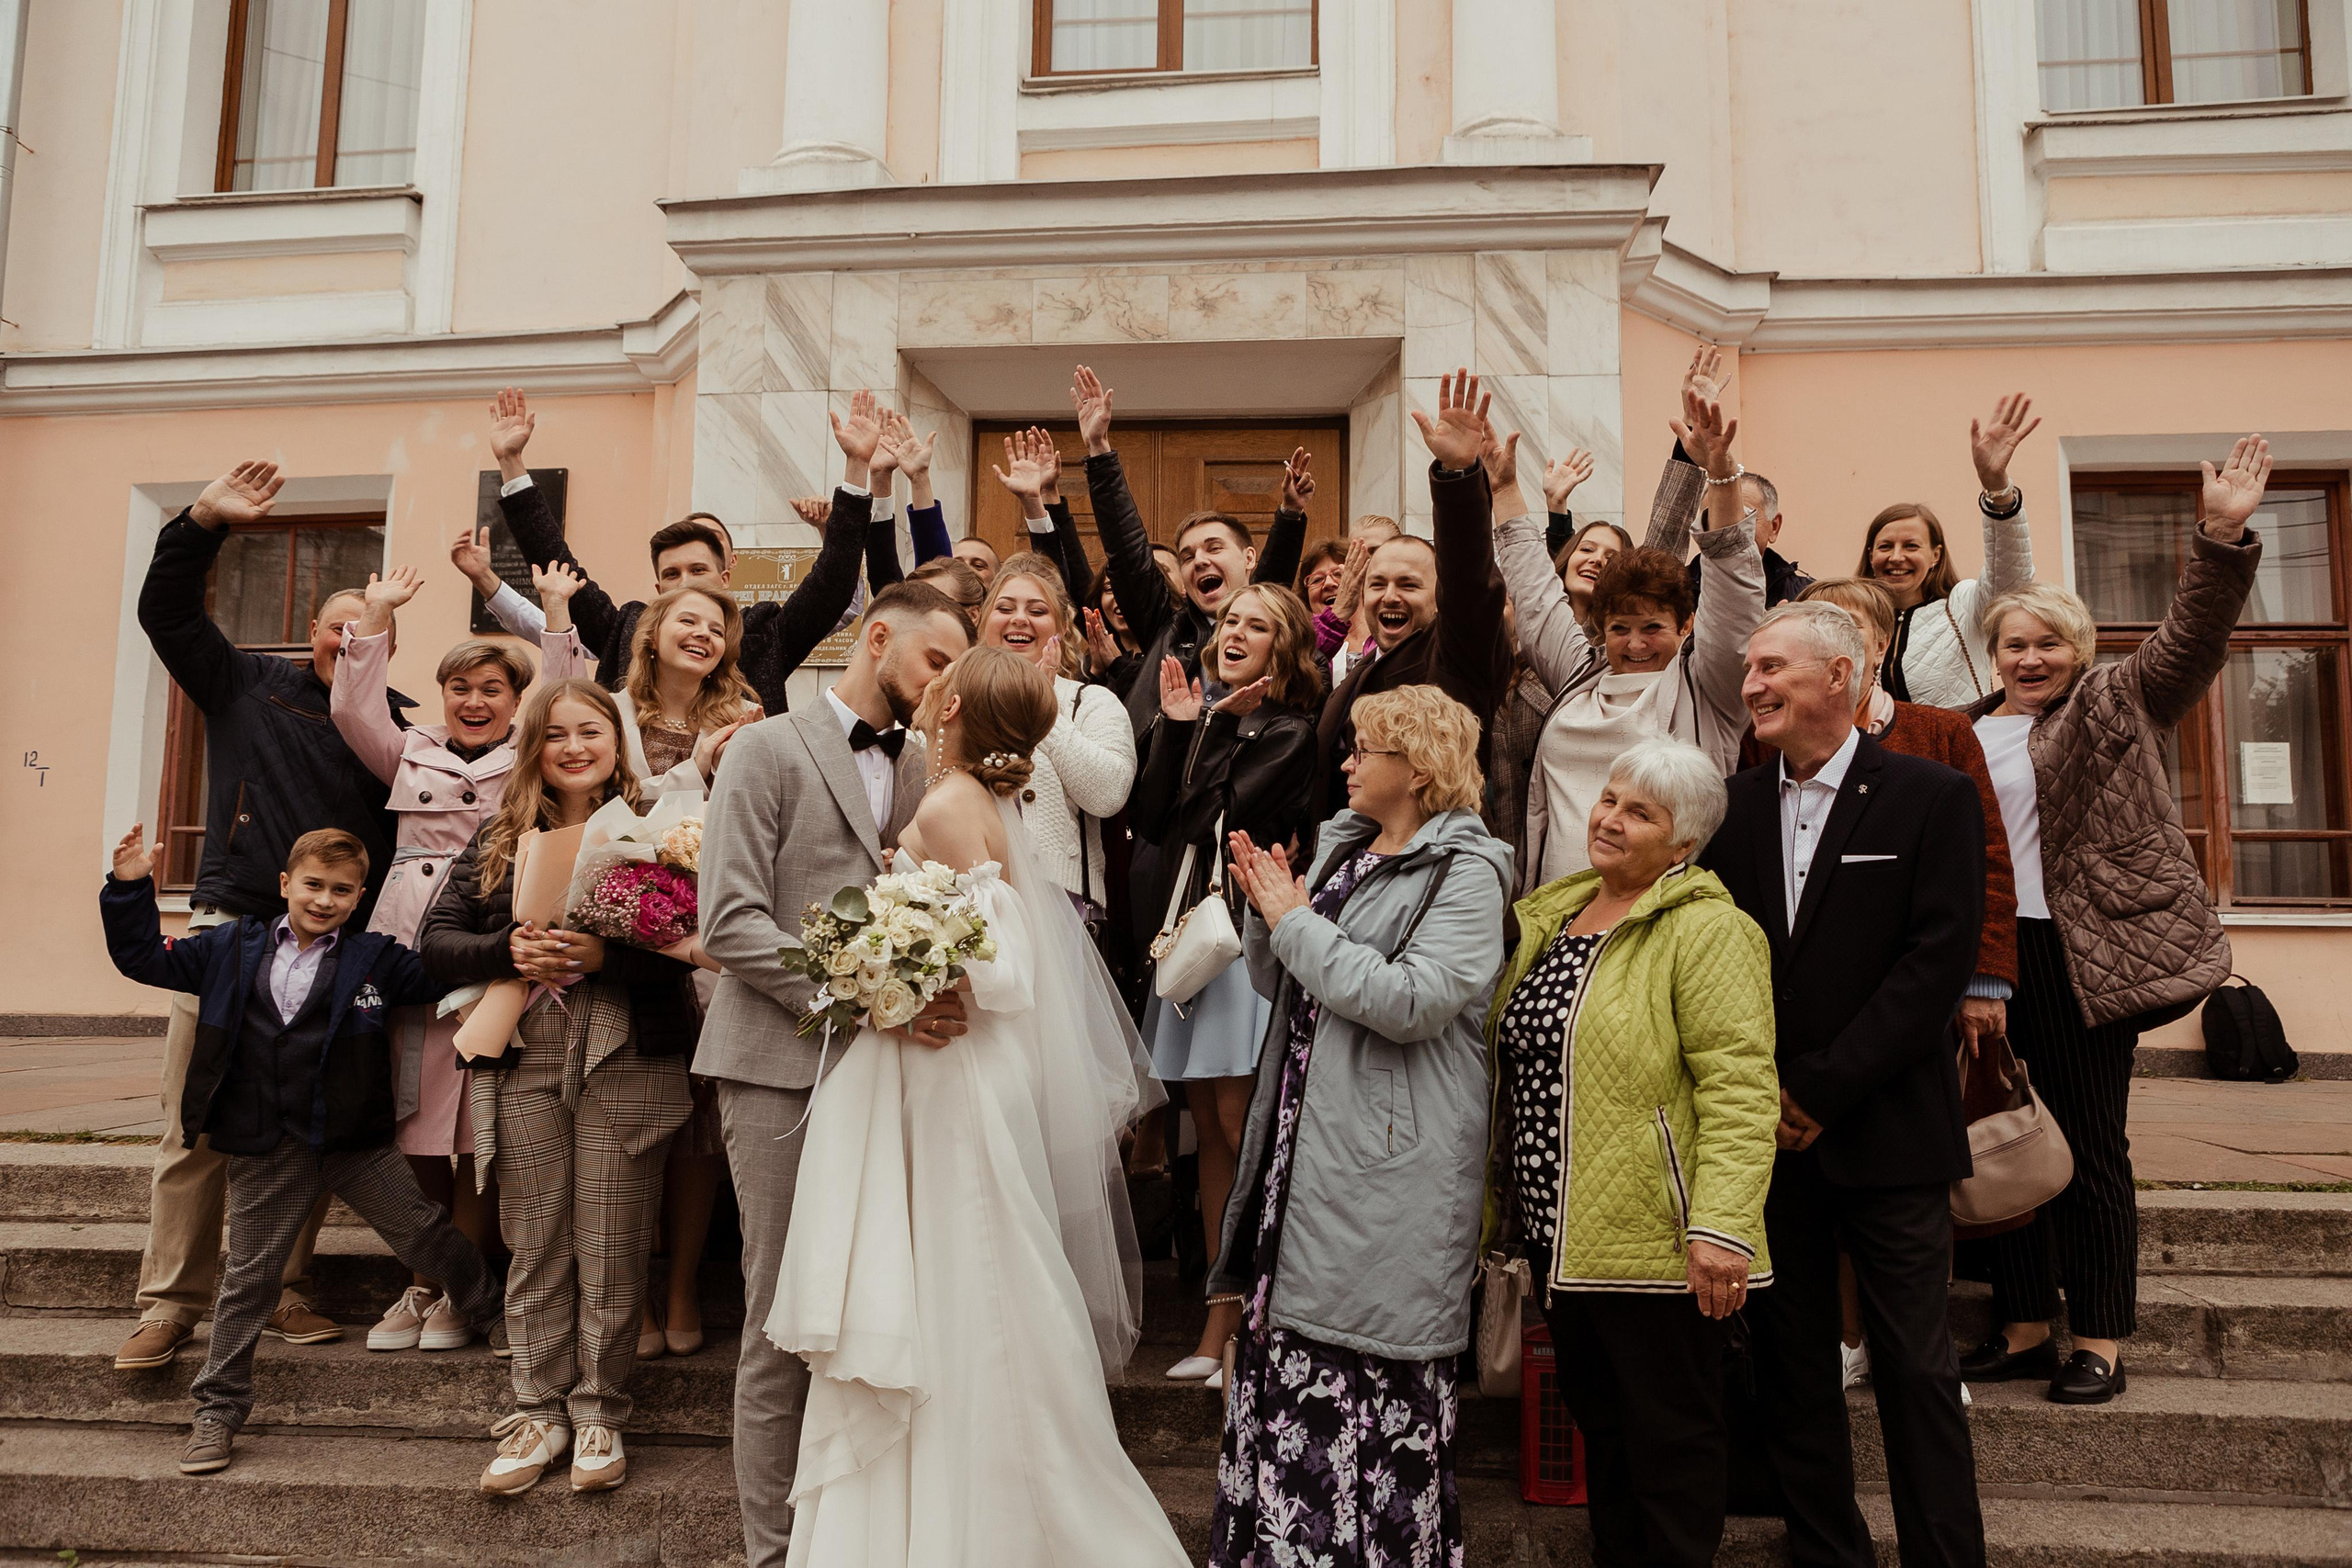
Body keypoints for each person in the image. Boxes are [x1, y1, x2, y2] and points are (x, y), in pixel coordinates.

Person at [766, 646, 1187, 1564]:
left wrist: (897, 973)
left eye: (939, 680)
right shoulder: (977, 800)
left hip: (950, 1074)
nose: (925, 692)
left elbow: (1006, 967)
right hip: (939, 1074)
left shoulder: (953, 804)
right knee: (954, 1284)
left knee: (968, 1286)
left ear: (952, 705)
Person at [1961, 437, 2273, 1407]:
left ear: (2080, 650)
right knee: (2000, 1130)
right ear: (1994, 655)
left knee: (2090, 1144)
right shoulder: (1961, 730)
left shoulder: (2116, 701)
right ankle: (2021, 1325)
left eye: (2048, 643)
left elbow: (2190, 638)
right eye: (2015, 644)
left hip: (2082, 953)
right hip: (1989, 956)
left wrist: (2218, 538)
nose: (2030, 658)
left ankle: (2096, 1337)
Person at [1701, 601, 1987, 1568]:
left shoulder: (1930, 796)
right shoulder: (1731, 807)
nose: (1751, 684)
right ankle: (1827, 1551)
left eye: (1771, 667)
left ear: (1841, 673)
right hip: (1769, 1139)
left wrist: (1820, 1090)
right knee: (1791, 1367)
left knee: (1914, 1367)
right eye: (1749, 669)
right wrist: (1766, 1098)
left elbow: (1934, 966)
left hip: (1888, 1130)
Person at [695, 580, 975, 1568]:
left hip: (898, 1083)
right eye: (935, 662)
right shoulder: (765, 748)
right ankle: (772, 1554)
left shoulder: (929, 771)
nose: (943, 686)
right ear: (878, 637)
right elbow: (729, 922)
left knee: (877, 1315)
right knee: (784, 1318)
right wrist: (866, 999)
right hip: (778, 1070)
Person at [1210, 683, 1511, 1568]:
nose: (1345, 762)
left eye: (1363, 749)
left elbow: (1412, 1000)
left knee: (1368, 1375)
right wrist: (1268, 913)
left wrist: (1293, 919)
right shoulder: (1347, 846)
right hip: (1307, 1146)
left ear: (1417, 769)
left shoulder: (1467, 870)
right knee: (1291, 1360)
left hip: (1387, 1164)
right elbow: (1288, 980)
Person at [116, 459, 402, 1373]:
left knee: (301, 1124)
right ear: (312, 632)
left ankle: (281, 1283)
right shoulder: (246, 684)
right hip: (231, 930)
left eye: (368, 628)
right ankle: (169, 1304)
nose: (349, 639)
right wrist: (202, 521)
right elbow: (166, 614)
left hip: (334, 953)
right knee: (195, 1124)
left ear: (386, 642)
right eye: (337, 625)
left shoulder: (398, 731)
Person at [101, 825, 498, 1477]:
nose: (324, 899)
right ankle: (217, 1412)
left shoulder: (376, 958)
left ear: (359, 897)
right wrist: (128, 886)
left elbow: (447, 965)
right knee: (249, 1280)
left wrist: (507, 936)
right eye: (313, 885)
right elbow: (142, 955)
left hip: (354, 1143)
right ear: (286, 884)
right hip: (268, 1144)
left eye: (341, 890)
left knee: (425, 1233)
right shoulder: (228, 948)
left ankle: (487, 1306)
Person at [1486, 738, 1778, 1568]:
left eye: (1639, 812)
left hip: (1659, 1239)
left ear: (1683, 843)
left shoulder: (1710, 930)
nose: (1610, 819)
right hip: (1561, 1234)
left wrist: (1721, 1226)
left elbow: (1741, 1087)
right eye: (1610, 799)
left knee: (1671, 1442)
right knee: (1604, 1434)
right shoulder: (1554, 916)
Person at [418, 679, 702, 1497]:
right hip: (524, 1053)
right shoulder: (499, 836)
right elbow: (435, 942)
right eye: (555, 734)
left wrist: (608, 956)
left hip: (628, 1050)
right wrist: (507, 948)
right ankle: (537, 1410)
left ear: (618, 741)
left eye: (590, 731)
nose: (574, 747)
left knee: (612, 1241)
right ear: (533, 747)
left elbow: (695, 943)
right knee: (535, 1236)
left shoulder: (661, 827)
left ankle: (601, 1411)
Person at [1783, 575, 2021, 1392]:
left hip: (1916, 995)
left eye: (1846, 628)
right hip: (1819, 1004)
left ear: (1879, 645)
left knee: (1909, 1183)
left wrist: (1986, 979)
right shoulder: (1778, 739)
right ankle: (1850, 1333)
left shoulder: (1939, 732)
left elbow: (1989, 854)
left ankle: (1920, 1347)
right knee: (1828, 1178)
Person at [537, 564, 760, 1362]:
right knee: (634, 1125)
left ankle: (683, 1285)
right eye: (687, 620)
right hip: (621, 934)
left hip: (706, 936)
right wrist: (694, 767)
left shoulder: (746, 718)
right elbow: (610, 809)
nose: (702, 635)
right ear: (652, 633)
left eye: (717, 628)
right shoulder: (610, 713)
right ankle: (628, 1288)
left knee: (698, 1130)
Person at [329, 565, 529, 1353]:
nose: (474, 701)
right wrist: (376, 616)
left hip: (485, 947)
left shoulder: (532, 755)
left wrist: (553, 616)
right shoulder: (408, 750)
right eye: (459, 687)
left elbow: (575, 699)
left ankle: (465, 1286)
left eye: (492, 689)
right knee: (413, 1121)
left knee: (477, 1127)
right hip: (407, 953)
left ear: (516, 700)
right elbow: (352, 705)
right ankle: (425, 1279)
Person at [1129, 582, 1320, 1389]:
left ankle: (1260, 1321)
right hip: (1190, 943)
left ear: (1285, 647)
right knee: (1207, 1126)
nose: (1237, 632)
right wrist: (1181, 725)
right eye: (1231, 621)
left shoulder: (1289, 731)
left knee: (1243, 1127)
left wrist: (1207, 730)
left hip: (1245, 941)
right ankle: (1220, 1320)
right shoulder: (1203, 716)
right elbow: (1152, 818)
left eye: (1258, 625)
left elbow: (1215, 811)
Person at [458, 385, 880, 714]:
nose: (686, 582)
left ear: (725, 577)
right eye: (672, 574)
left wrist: (857, 467)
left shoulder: (764, 633)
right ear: (658, 588)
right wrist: (511, 463)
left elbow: (833, 586)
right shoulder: (625, 628)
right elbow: (557, 564)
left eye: (698, 570)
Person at [1495, 382, 1763, 892]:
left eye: (1652, 628)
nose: (1635, 644)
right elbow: (1534, 595)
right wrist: (1505, 488)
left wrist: (1721, 476)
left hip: (1663, 915)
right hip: (1556, 912)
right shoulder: (1581, 674)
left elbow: (1734, 591)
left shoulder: (1712, 688)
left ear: (1686, 625)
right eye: (1620, 629)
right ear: (1602, 629)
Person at [1313, 370, 1515, 823]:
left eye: (1408, 585)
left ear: (1440, 597)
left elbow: (1470, 582)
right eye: (1378, 584)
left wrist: (1458, 476)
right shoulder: (1360, 669)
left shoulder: (1456, 657)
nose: (1390, 597)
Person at [1072, 364, 1310, 742]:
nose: (1199, 560)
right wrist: (1099, 450)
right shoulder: (1167, 627)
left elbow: (1272, 585)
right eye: (1187, 556)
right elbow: (1127, 551)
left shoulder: (1272, 625)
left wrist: (1291, 515)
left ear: (1249, 559)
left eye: (1214, 548)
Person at [1858, 393, 2041, 709]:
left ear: (1936, 556)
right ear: (1871, 555)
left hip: (1958, 742)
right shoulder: (1853, 620)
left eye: (1911, 546)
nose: (1896, 557)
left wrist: (1997, 488)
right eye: (1885, 547)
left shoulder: (1963, 606)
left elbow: (2012, 576)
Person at [977, 552, 1137, 898]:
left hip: (1065, 902)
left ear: (1062, 628)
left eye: (1037, 611)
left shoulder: (1092, 702)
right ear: (984, 619)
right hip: (968, 898)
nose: (1019, 619)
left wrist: (1042, 710)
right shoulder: (953, 696)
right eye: (1005, 608)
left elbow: (1109, 796)